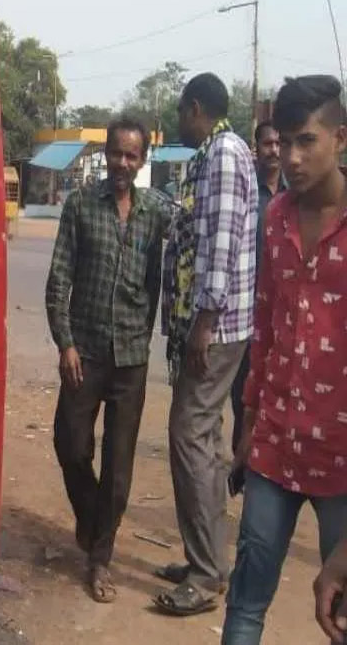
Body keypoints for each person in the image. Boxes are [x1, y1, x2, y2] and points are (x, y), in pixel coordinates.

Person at [221, 75, 347, 644]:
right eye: (282, 143)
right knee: (245, 605)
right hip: (274, 447)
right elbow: (265, 329)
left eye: (306, 141)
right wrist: (247, 430)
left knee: (339, 615)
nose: (291, 158)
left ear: (339, 138)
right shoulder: (274, 217)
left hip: (343, 463)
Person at [45, 117, 171, 604]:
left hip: (132, 358)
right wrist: (66, 343)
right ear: (106, 155)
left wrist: (150, 329)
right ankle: (92, 516)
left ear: (141, 162)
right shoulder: (80, 205)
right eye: (116, 153)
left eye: (132, 156)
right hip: (86, 351)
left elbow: (164, 274)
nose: (122, 164)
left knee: (119, 467)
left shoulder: (155, 213)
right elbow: (59, 277)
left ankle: (100, 558)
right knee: (70, 444)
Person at [155, 72, 259, 616]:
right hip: (216, 323)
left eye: (179, 112)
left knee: (188, 436)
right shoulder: (221, 153)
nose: (178, 122)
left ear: (196, 108)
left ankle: (204, 574)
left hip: (214, 327)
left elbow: (219, 243)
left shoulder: (221, 153)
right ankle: (211, 560)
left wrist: (203, 323)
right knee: (208, 439)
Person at [228, 121, 284, 465]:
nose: (275, 150)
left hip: (286, 315)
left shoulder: (296, 194)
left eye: (280, 143)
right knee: (244, 396)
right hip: (249, 315)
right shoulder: (246, 191)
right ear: (256, 148)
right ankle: (242, 466)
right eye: (268, 144)